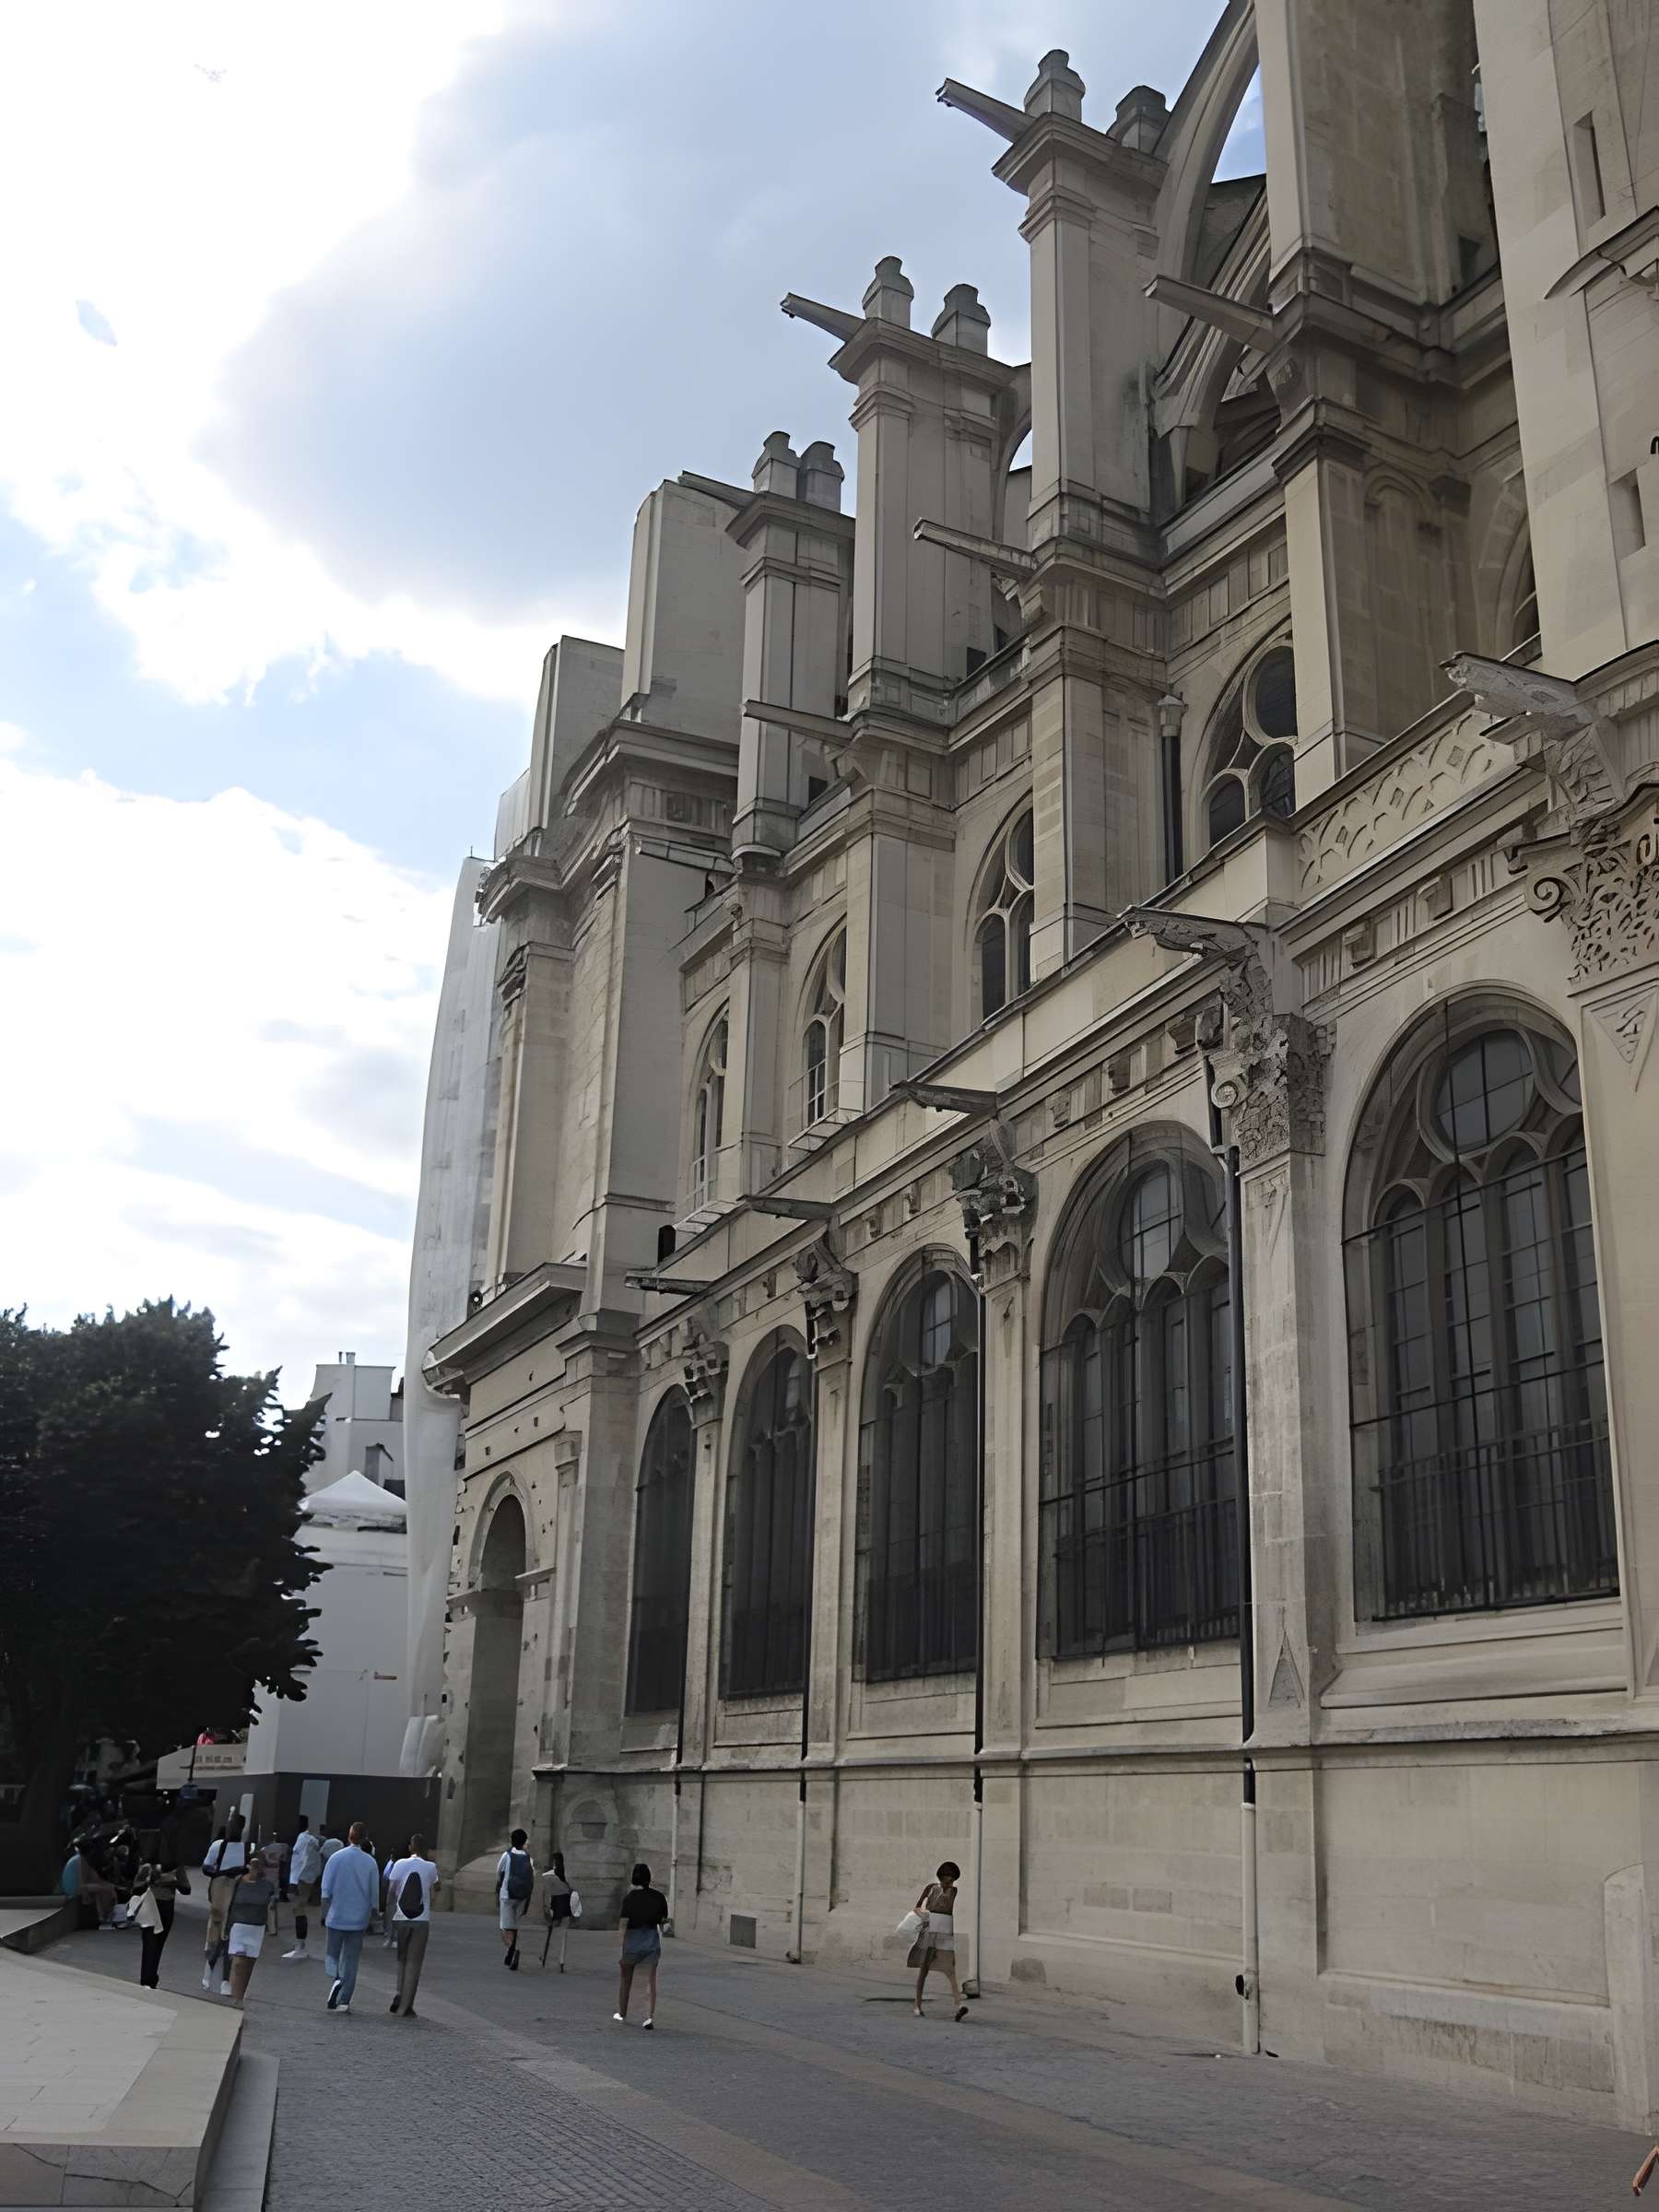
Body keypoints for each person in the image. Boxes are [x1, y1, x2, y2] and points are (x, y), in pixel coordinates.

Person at [319, 1819, 379, 2013]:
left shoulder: (336, 1858)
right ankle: (345, 2000)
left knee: (331, 1955)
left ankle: (336, 1979)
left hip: (336, 1915)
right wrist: (374, 1912)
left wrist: (324, 1913)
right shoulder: (370, 1862)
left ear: (349, 1836)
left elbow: (325, 1892)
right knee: (352, 1960)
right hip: (358, 1918)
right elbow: (374, 1893)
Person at [384, 1831, 440, 2018]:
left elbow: (391, 1894)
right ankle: (405, 2007)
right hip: (421, 1919)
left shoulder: (399, 1864)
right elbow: (436, 1888)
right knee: (414, 1964)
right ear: (426, 1849)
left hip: (401, 1917)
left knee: (401, 1959)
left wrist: (388, 1919)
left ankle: (399, 1993)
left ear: (410, 1847)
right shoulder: (431, 1867)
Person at [908, 1861, 969, 2021]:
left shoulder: (952, 1891)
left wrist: (946, 1887)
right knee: (924, 1969)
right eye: (948, 1879)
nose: (950, 1882)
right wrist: (924, 1916)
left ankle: (959, 2005)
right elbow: (917, 1906)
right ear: (942, 1877)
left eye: (953, 1880)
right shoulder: (930, 1888)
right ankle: (917, 2005)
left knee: (950, 1969)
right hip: (930, 1930)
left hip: (945, 1933)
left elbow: (947, 1897)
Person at [132, 1824, 188, 1989]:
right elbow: (186, 1889)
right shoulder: (176, 1866)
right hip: (166, 1906)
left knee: (149, 1942)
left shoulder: (146, 1865)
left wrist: (151, 1880)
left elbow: (135, 1888)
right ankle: (151, 1977)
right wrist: (172, 1882)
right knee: (158, 1944)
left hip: (150, 1905)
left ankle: (147, 1978)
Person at [614, 1862, 667, 2029]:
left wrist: (622, 1945)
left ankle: (622, 2013)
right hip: (651, 1938)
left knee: (625, 1977)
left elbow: (623, 1924)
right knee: (649, 1981)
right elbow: (664, 1922)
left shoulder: (629, 1898)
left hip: (633, 1939)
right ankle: (648, 2017)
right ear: (649, 1878)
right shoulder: (659, 1897)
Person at [201, 1814, 248, 1994]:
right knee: (215, 1936)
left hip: (234, 1898)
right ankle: (209, 1973)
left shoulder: (244, 1848)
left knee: (229, 1937)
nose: (231, 1829)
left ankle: (224, 1980)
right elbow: (206, 1867)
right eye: (230, 1825)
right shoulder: (219, 1846)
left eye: (235, 1826)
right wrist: (228, 1872)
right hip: (220, 1898)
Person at [223, 1856, 276, 2007]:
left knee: (249, 1964)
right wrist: (226, 1927)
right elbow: (230, 1905)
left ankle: (241, 1995)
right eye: (253, 1865)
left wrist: (272, 1929)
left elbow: (271, 1908)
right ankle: (236, 1998)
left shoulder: (267, 1886)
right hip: (238, 1926)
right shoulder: (238, 1883)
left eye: (258, 1866)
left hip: (256, 1928)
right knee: (238, 1962)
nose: (255, 1869)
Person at [282, 1817, 323, 1959]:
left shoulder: (305, 1840)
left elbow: (301, 1862)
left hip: (301, 1879)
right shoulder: (308, 1840)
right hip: (304, 1879)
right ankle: (300, 1945)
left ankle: (300, 1947)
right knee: (298, 1910)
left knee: (299, 1910)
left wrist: (294, 1881)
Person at [495, 1828, 535, 1970]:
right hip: (522, 1896)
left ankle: (511, 1948)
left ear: (512, 1841)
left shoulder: (506, 1855)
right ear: (524, 1842)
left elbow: (499, 1873)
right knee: (517, 1926)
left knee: (506, 1927)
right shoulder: (529, 1858)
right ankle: (515, 1949)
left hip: (507, 1895)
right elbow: (532, 1877)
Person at [540, 1851, 575, 1971]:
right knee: (563, 1935)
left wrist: (546, 1911)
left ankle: (544, 1956)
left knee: (549, 1933)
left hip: (556, 1905)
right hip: (566, 1905)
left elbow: (547, 1895)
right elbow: (570, 1890)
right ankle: (561, 1961)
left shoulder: (548, 1876)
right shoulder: (564, 1875)